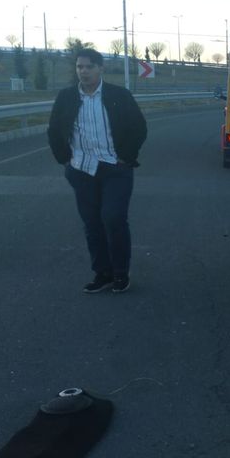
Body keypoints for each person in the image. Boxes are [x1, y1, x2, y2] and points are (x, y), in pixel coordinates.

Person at [47, 48, 147, 294]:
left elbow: (139, 127)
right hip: (81, 170)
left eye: (89, 67)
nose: (84, 71)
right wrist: (65, 160)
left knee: (113, 218)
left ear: (100, 68)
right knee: (92, 223)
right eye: (79, 67)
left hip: (115, 168)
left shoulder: (119, 95)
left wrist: (126, 157)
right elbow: (54, 130)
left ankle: (121, 272)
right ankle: (103, 273)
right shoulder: (67, 97)